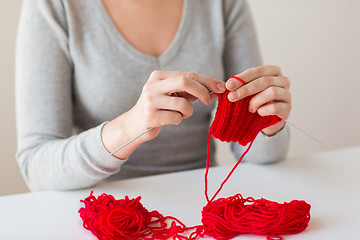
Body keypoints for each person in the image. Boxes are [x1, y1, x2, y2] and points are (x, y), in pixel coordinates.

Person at [16, 0, 291, 191]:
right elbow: (36, 165)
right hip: (106, 216)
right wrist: (129, 127)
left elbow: (263, 157)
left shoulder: (220, 4)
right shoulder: (54, 6)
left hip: (202, 207)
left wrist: (268, 122)